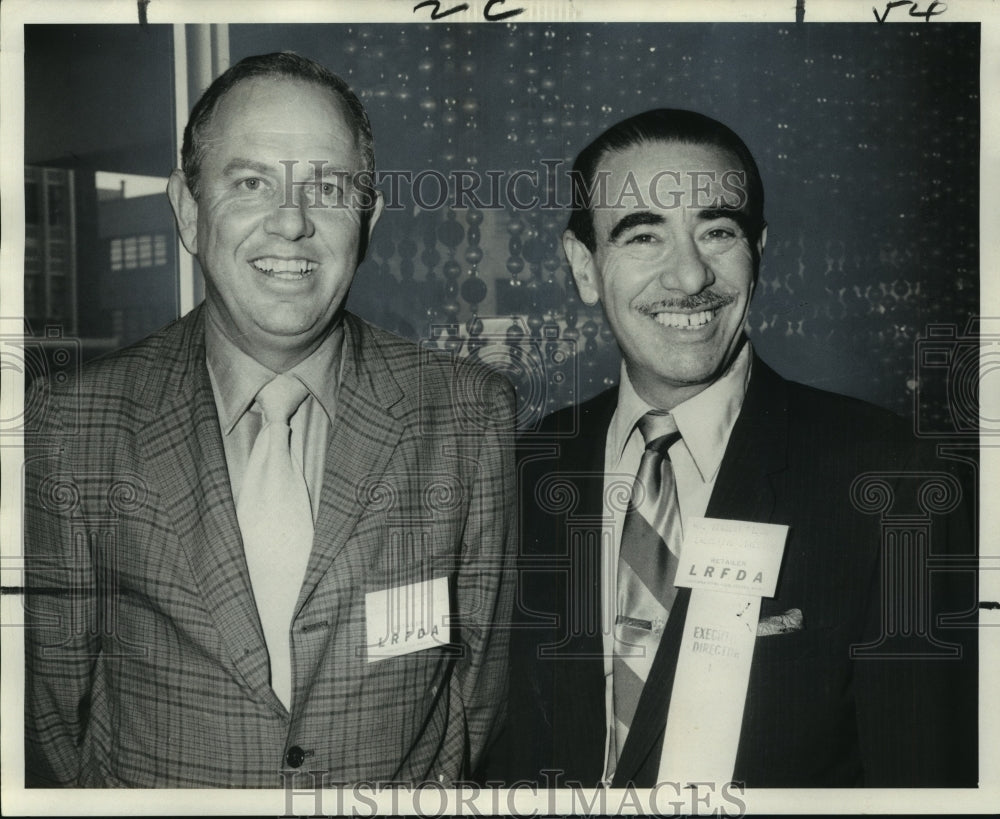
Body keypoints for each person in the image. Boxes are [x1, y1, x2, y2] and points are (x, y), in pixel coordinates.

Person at [24, 52, 516, 788]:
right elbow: (55, 709)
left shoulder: (468, 415)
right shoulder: (75, 422)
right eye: (251, 183)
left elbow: (478, 696)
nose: (292, 222)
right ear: (189, 212)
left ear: (368, 220)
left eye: (327, 187)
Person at [486, 109, 977, 788]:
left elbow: (923, 785)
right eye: (643, 236)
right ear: (585, 267)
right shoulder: (521, 467)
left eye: (718, 232)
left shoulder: (895, 475)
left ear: (758, 252)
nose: (689, 277)